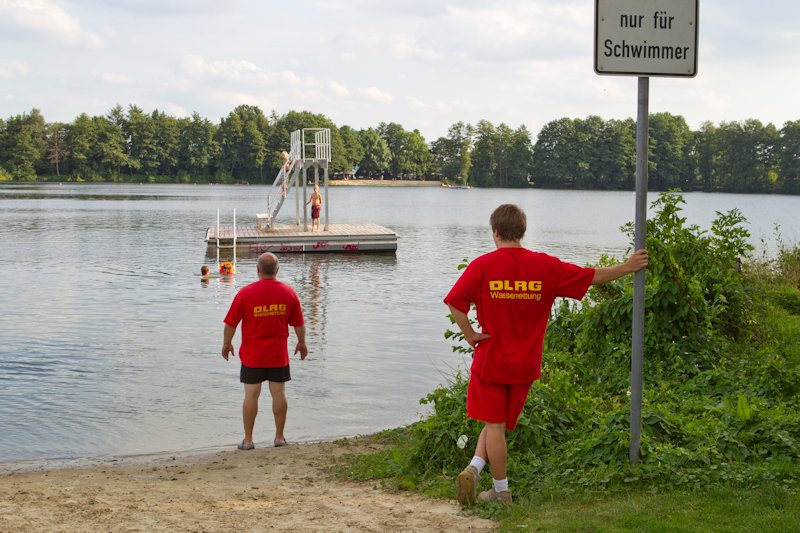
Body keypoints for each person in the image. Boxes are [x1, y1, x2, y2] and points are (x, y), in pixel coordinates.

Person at [444, 204, 648, 505]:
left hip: (492, 361)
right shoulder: (544, 267)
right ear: (522, 232)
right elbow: (589, 276)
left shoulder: (483, 266)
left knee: (494, 425)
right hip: (524, 364)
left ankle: (501, 491)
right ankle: (474, 469)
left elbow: (455, 304)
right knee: (494, 422)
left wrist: (471, 334)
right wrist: (628, 267)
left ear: (495, 232)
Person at [221, 252, 308, 450]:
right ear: (277, 270)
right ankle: (279, 437)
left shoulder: (245, 293)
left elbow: (230, 323)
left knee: (251, 394)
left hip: (253, 355)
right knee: (279, 393)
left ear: (257, 270)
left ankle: (249, 440)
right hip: (278, 354)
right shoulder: (289, 292)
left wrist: (227, 344)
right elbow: (299, 323)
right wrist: (302, 342)